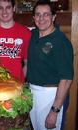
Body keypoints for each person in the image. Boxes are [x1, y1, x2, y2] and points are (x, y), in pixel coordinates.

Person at [27, 0, 74, 130]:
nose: (41, 18)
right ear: (33, 17)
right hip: (32, 94)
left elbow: (66, 79)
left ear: (53, 17)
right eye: (38, 14)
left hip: (51, 95)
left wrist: (54, 111)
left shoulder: (61, 41)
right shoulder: (32, 35)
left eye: (46, 14)